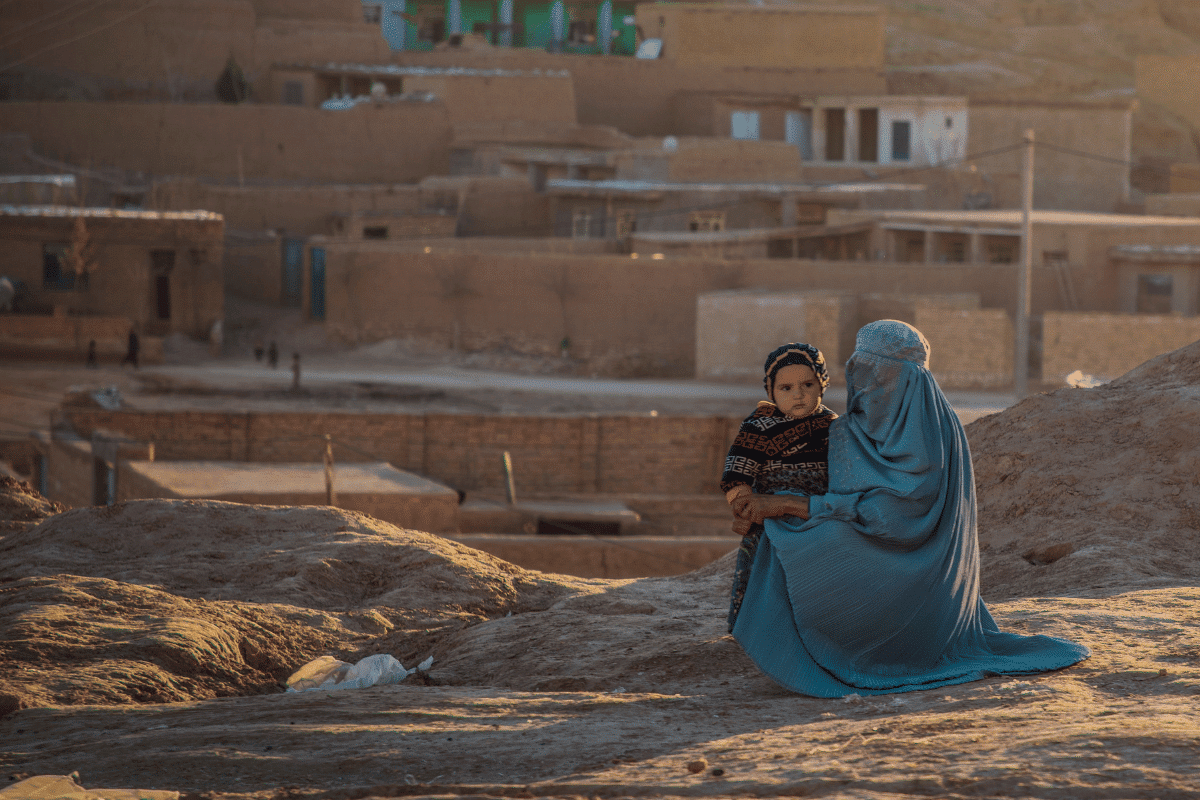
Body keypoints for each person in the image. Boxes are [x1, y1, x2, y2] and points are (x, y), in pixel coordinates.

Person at [730, 320, 1090, 696]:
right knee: (789, 524)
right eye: (860, 373)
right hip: (877, 540)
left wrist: (788, 504)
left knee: (802, 535)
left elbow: (891, 519)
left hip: (915, 565)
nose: (866, 387)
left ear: (905, 378)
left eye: (878, 376)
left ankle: (843, 647)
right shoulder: (857, 423)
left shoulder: (929, 433)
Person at [722, 343, 837, 634]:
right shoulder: (758, 427)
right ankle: (752, 628)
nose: (798, 394)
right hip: (768, 518)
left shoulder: (833, 427)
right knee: (762, 572)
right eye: (786, 388)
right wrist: (744, 505)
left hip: (814, 516)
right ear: (770, 391)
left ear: (822, 385)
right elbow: (737, 472)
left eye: (807, 384)